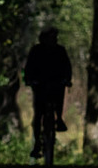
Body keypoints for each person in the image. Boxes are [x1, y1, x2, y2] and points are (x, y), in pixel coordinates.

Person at [24, 27, 73, 158]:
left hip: (56, 85)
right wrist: (29, 80)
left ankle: (59, 119)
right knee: (38, 113)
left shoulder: (60, 51)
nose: (53, 40)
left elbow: (67, 67)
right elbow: (29, 67)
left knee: (58, 102)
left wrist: (67, 80)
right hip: (40, 86)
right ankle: (37, 142)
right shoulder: (36, 51)